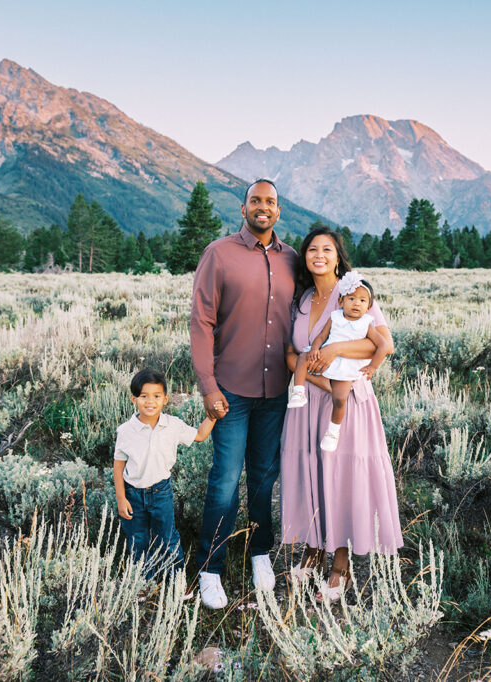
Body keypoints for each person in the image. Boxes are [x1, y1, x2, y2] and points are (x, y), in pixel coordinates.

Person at [280, 227, 404, 602]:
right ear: (304, 256)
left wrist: (335, 353)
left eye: (327, 249)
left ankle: (340, 565)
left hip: (347, 402)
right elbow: (292, 354)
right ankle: (314, 550)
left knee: (341, 476)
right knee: (312, 472)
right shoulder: (300, 300)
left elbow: (383, 343)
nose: (319, 255)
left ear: (338, 257)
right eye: (312, 249)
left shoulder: (354, 293)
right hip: (310, 399)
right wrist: (317, 382)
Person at [190, 178, 298, 609]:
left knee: (263, 478)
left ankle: (259, 554)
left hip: (276, 392)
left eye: (270, 202)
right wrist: (208, 386)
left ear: (278, 210)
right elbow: (201, 323)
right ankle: (210, 568)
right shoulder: (219, 253)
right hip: (230, 393)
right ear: (243, 208)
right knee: (223, 482)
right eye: (256, 200)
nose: (263, 207)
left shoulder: (293, 258)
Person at [114, 368, 215, 580]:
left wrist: (213, 416)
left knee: (167, 538)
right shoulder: (125, 430)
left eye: (156, 396)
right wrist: (121, 499)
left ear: (166, 399)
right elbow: (118, 467)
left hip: (161, 492)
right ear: (134, 399)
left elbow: (199, 435)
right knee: (138, 540)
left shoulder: (173, 425)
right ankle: (144, 584)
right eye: (143, 396)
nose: (150, 402)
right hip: (133, 494)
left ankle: (176, 582)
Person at [286, 271, 390, 452]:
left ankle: (333, 431)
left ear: (369, 306)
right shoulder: (335, 317)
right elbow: (320, 336)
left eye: (362, 300)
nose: (356, 303)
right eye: (351, 299)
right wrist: (315, 349)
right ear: (341, 301)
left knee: (340, 399)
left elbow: (384, 345)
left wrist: (373, 366)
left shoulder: (367, 323)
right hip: (324, 357)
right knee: (303, 357)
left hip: (345, 366)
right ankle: (298, 391)